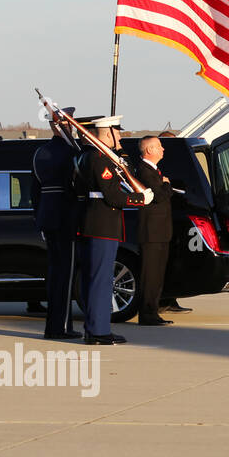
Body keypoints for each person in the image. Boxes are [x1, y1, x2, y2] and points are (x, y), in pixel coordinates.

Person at [77, 116, 151, 345]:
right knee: (101, 280)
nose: (119, 136)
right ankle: (98, 331)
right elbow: (111, 195)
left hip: (99, 223)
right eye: (116, 133)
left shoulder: (96, 156)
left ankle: (95, 328)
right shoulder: (98, 159)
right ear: (106, 133)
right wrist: (139, 198)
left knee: (98, 278)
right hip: (102, 224)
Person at [30, 110, 81, 340]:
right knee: (66, 274)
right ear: (64, 126)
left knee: (54, 273)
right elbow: (76, 187)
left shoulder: (40, 152)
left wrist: (39, 217)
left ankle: (56, 325)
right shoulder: (71, 152)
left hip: (47, 217)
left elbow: (35, 191)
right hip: (65, 216)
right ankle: (59, 328)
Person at [134, 136, 174, 326]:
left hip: (160, 231)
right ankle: (147, 313)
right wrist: (166, 184)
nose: (163, 149)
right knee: (150, 274)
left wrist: (165, 185)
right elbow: (159, 196)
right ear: (149, 150)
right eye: (159, 146)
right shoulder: (144, 171)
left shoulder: (153, 171)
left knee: (157, 273)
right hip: (151, 231)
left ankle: (153, 310)